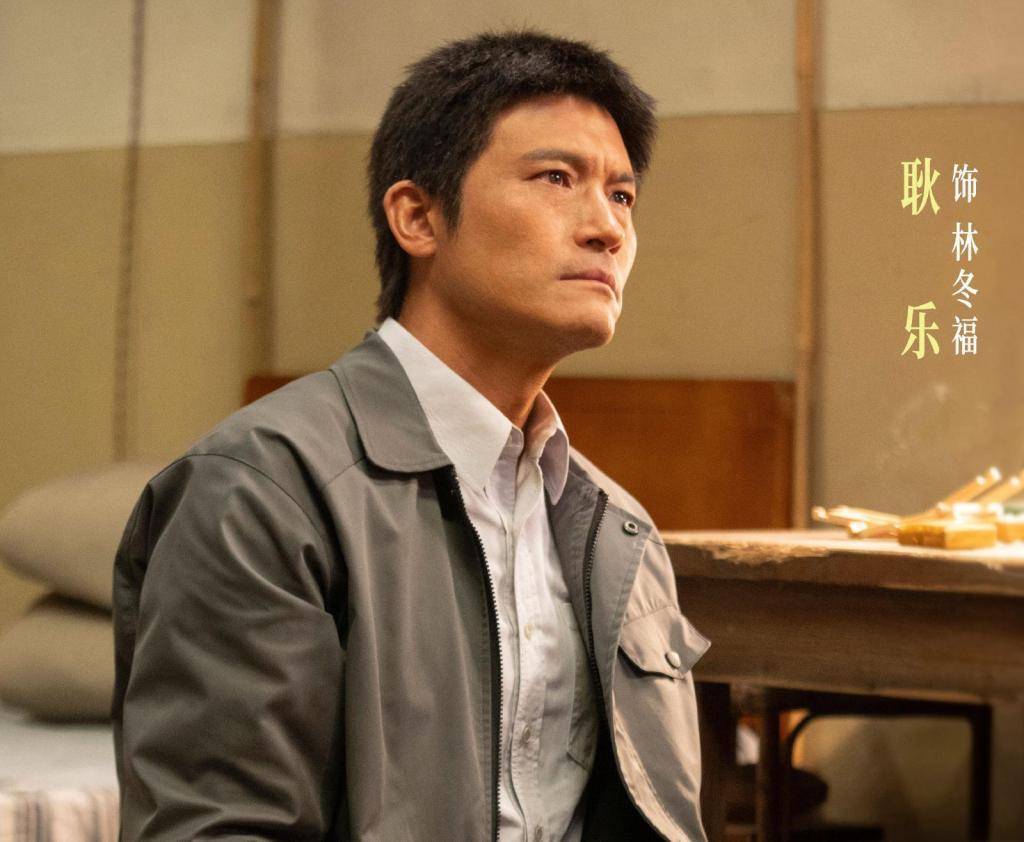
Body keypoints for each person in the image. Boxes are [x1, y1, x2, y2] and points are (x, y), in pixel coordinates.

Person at [112, 29, 710, 842]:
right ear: (418, 217)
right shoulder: (261, 491)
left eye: (623, 196)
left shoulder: (617, 533)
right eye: (557, 178)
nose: (607, 227)